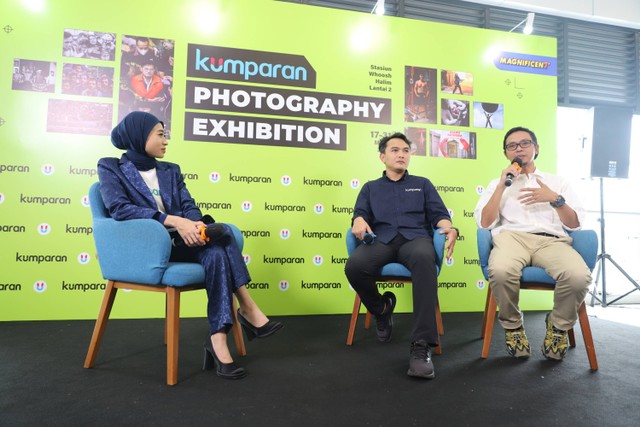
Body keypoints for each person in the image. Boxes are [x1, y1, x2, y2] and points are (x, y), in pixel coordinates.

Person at [97, 111, 283, 380]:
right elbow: (120, 209)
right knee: (220, 240)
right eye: (160, 134)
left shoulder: (170, 170)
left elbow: (189, 205)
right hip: (149, 245)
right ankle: (247, 308)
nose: (166, 140)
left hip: (183, 239)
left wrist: (194, 225)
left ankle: (218, 340)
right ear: (139, 136)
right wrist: (174, 221)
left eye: (165, 134)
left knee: (220, 240)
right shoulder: (111, 166)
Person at [344, 132, 458, 379]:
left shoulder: (423, 183)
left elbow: (439, 214)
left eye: (405, 150)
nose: (401, 154)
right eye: (395, 150)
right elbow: (360, 214)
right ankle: (382, 308)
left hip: (415, 239)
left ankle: (422, 345)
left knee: (424, 258)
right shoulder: (370, 188)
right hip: (382, 240)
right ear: (382, 156)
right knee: (354, 266)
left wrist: (448, 226)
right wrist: (359, 220)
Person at [473, 126, 591, 361]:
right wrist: (500, 186)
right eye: (512, 146)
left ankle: (558, 327)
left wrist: (555, 200)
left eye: (525, 143)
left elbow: (576, 224)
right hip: (512, 238)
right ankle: (513, 327)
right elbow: (485, 223)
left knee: (578, 275)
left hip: (552, 241)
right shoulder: (498, 183)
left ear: (536, 148)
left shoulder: (557, 182)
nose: (519, 148)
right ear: (506, 154)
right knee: (501, 270)